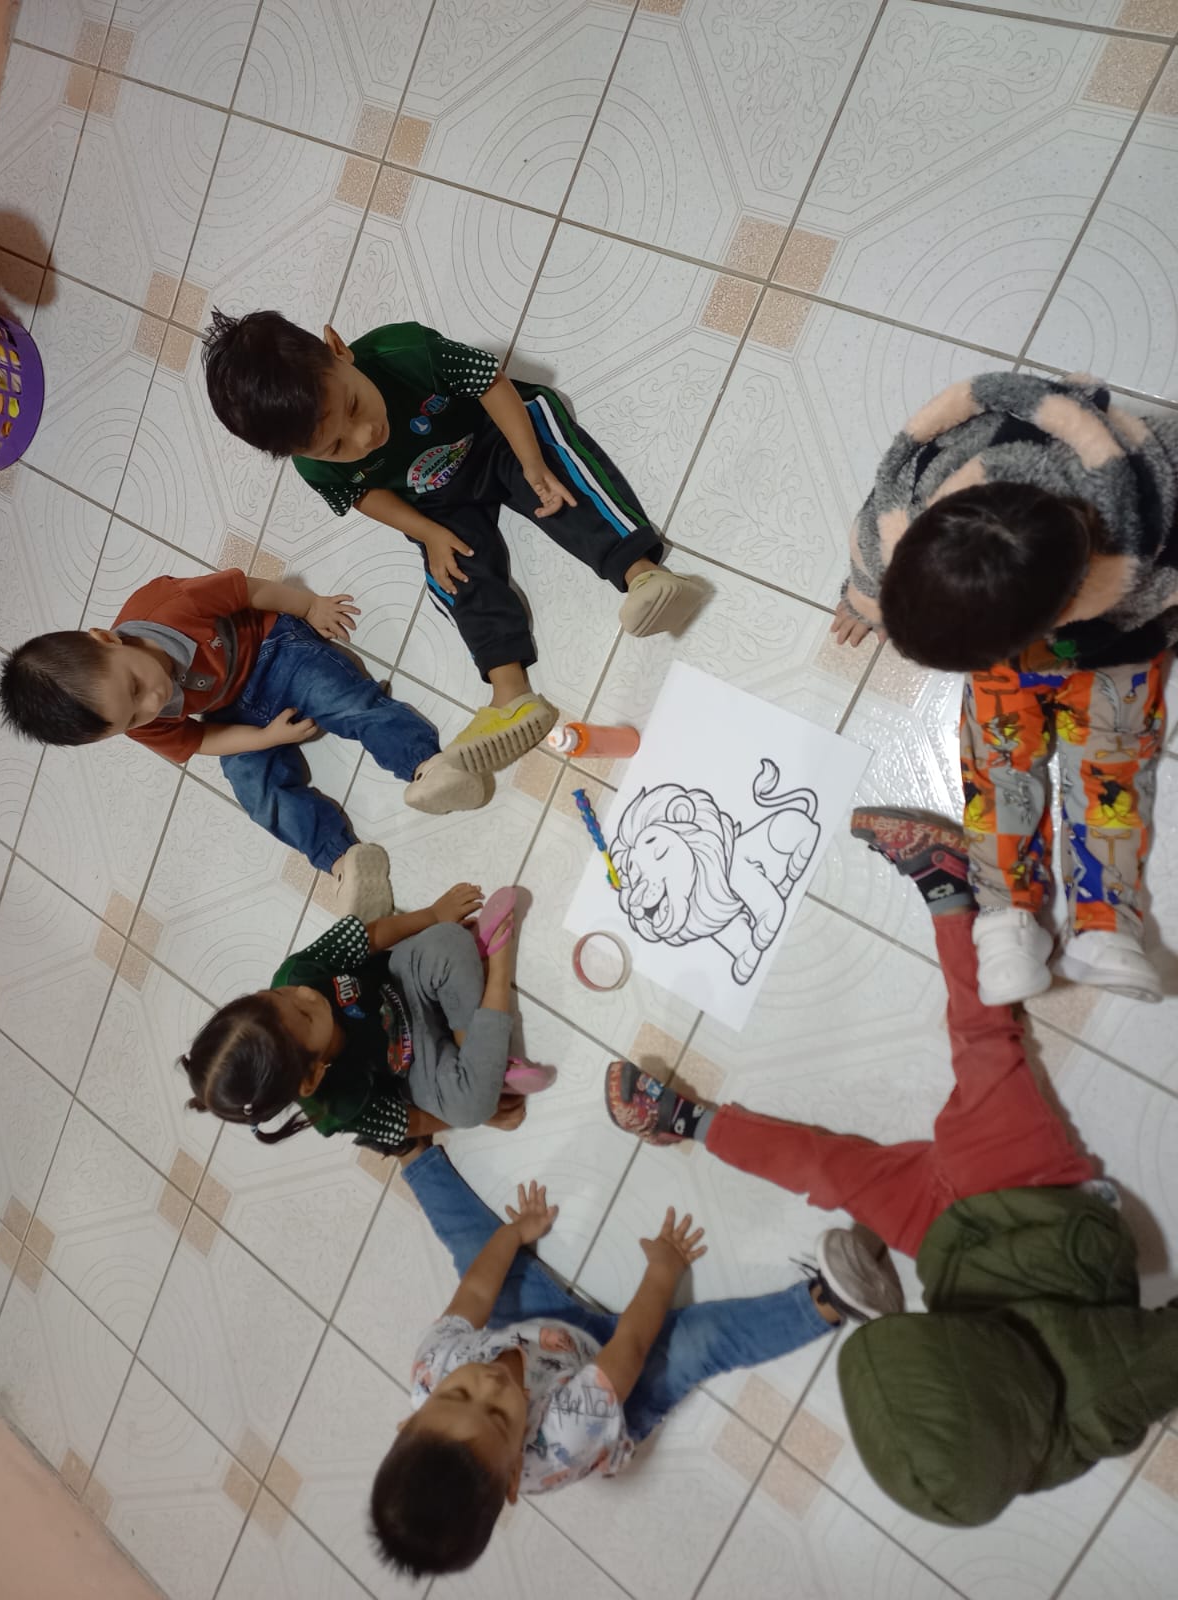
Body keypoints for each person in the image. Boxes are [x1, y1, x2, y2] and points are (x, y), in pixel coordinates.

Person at [606, 807, 1178, 1528]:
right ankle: (948, 884)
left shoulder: (974, 1424)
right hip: (1041, 1204)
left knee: (826, 1173)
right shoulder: (1101, 1397)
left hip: (947, 1244)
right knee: (982, 1041)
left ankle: (687, 1122)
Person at [201, 311, 703, 775]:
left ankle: (642, 574)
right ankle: (510, 694)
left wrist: (531, 461)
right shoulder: (313, 466)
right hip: (433, 497)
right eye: (336, 446)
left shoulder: (406, 351)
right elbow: (364, 495)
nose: (364, 436)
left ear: (338, 349)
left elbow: (492, 384)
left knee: (556, 480)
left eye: (353, 406)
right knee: (453, 572)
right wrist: (428, 533)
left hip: (494, 436)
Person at [367, 1149, 899, 1578]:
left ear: (412, 1416)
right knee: (703, 1341)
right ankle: (827, 1302)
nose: (488, 1383)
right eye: (498, 1416)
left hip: (541, 1335)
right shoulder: (565, 1438)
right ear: (512, 1479)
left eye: (458, 1394)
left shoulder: (433, 1365)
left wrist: (513, 1234)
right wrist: (663, 1270)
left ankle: (411, 1151)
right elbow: (632, 1346)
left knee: (478, 1251)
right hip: (618, 1397)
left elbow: (477, 1290)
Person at [830, 373, 1176, 1005]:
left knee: (1111, 764)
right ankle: (1006, 917)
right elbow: (872, 546)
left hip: (1113, 638)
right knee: (997, 762)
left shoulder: (1148, 494)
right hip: (1006, 607)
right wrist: (865, 599)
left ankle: (1105, 924)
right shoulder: (913, 496)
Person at [0, 570, 488, 902]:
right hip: (229, 711)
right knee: (256, 791)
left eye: (136, 686)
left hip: (274, 648)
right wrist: (266, 739)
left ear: (107, 640)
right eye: (132, 719)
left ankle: (427, 766)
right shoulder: (132, 717)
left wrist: (310, 605)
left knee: (344, 701)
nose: (153, 702)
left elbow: (249, 592)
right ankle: (342, 860)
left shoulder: (170, 606)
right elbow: (202, 742)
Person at [182, 883, 551, 1152]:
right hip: (418, 1067)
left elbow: (369, 936)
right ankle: (497, 967)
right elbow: (410, 1122)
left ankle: (481, 1056)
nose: (305, 994)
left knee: (447, 941)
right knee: (469, 1107)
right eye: (305, 1015)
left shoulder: (296, 974)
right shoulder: (334, 1108)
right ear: (311, 1076)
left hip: (405, 982)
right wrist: (477, 1114)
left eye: (280, 995)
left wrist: (433, 915)